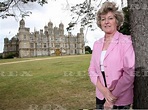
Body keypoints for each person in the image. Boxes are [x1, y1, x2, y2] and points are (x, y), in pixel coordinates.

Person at [88, 1, 135, 109]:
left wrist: (111, 98)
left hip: (120, 98)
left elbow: (129, 73)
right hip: (100, 96)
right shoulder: (97, 44)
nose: (106, 22)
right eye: (103, 19)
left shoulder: (126, 41)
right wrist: (104, 92)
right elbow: (91, 70)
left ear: (117, 21)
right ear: (100, 23)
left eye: (110, 18)